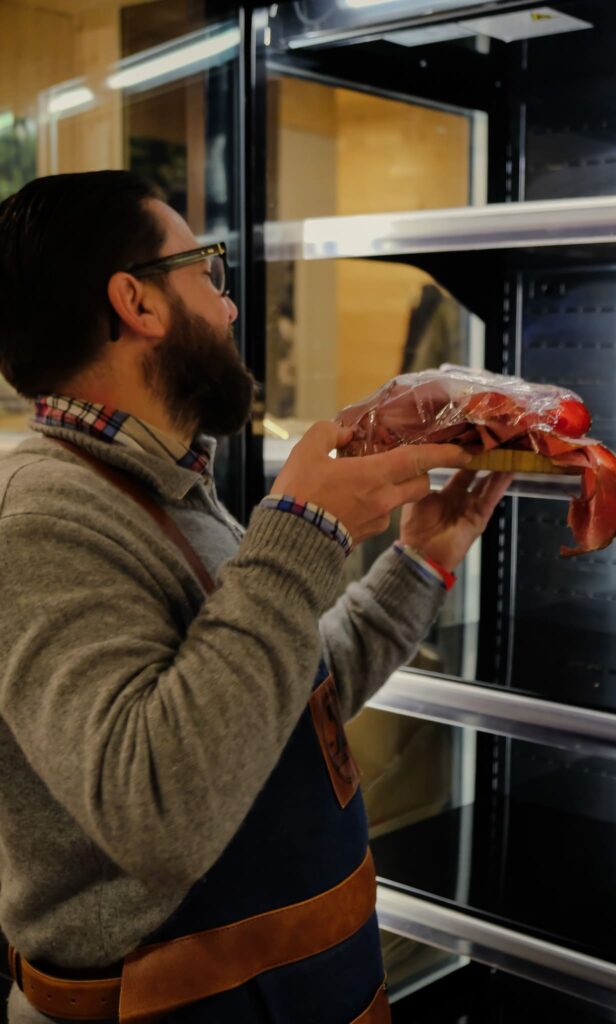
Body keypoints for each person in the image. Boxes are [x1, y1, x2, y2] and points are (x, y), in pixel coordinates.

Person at [0, 171, 512, 1024]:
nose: (231, 308)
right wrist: (302, 527)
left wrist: (420, 558)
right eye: (207, 271)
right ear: (137, 301)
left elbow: (272, 708)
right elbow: (157, 810)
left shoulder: (164, 490)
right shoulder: (39, 519)